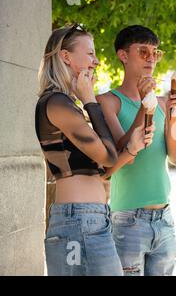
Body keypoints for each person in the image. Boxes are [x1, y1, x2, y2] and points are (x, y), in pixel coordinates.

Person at [36, 24, 150, 276]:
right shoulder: (56, 103)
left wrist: (130, 148)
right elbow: (107, 155)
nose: (96, 61)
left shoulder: (67, 104)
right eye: (90, 54)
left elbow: (106, 164)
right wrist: (89, 100)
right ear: (66, 56)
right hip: (78, 221)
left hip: (91, 219)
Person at [97, 25, 176, 276]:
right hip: (128, 219)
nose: (151, 59)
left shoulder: (163, 102)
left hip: (165, 218)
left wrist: (171, 117)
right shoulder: (108, 101)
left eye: (155, 53)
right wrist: (144, 108)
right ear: (123, 56)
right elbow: (119, 154)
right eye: (143, 52)